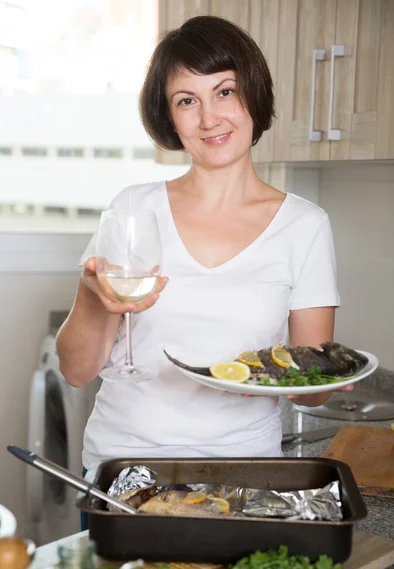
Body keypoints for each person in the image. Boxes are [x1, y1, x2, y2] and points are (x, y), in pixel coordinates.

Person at [56, 15, 352, 473]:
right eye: (187, 100)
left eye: (225, 91)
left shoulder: (305, 226)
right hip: (125, 470)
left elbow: (306, 387)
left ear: (253, 93)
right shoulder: (134, 210)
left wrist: (330, 378)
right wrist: (90, 295)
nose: (210, 117)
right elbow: (76, 372)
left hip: (246, 474)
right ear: (170, 118)